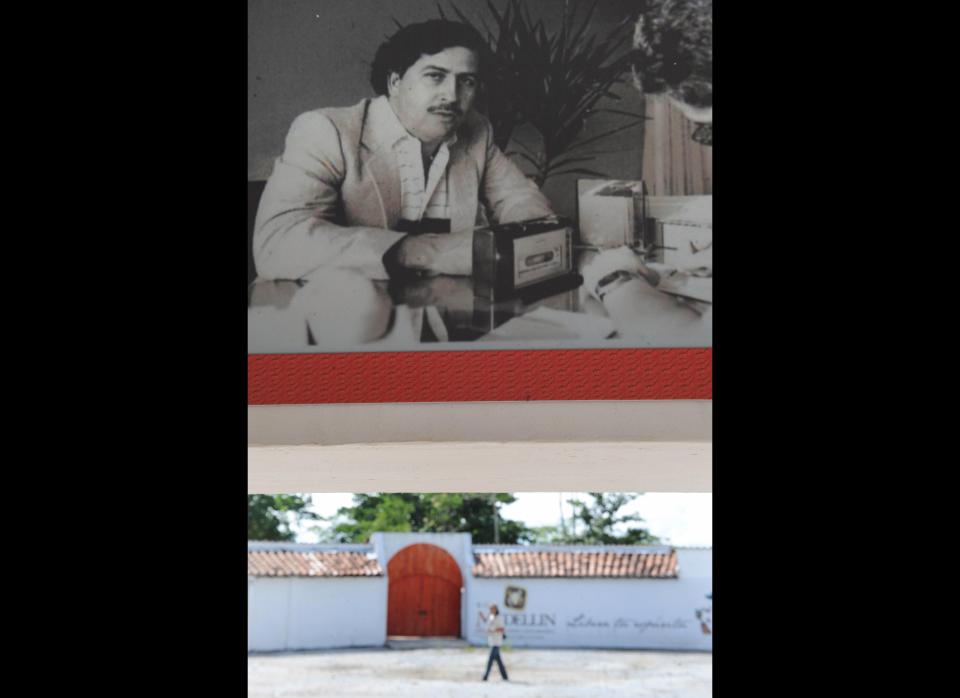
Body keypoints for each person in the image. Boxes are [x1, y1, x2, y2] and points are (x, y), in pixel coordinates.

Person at [253, 20, 555, 282]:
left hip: (445, 313)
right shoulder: (326, 130)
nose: (451, 95)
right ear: (395, 81)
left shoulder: (477, 132)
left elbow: (527, 208)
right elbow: (276, 243)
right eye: (435, 76)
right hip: (344, 318)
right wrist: (426, 252)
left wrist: (525, 232)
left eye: (467, 81)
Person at [482, 603, 508, 682]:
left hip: (497, 642)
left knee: (490, 660)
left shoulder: (499, 618)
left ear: (496, 609)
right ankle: (505, 676)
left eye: (492, 609)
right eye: (490, 609)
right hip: (492, 641)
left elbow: (502, 629)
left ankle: (485, 676)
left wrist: (493, 630)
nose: (490, 610)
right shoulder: (491, 617)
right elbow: (488, 625)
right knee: (498, 661)